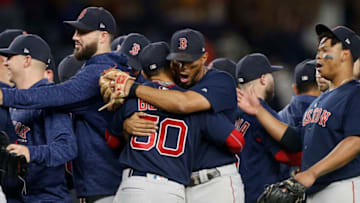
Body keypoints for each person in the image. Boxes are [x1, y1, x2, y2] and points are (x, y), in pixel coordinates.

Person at [0, 7, 132, 203]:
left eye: (83, 32)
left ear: (104, 36)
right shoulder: (99, 69)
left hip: (107, 186)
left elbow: (56, 95)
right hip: (103, 184)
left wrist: (4, 96)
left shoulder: (100, 72)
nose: (75, 37)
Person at [101, 28, 244, 203]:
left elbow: (183, 104)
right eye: (178, 61)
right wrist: (126, 125)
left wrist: (132, 89)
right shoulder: (168, 94)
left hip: (215, 182)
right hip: (179, 186)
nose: (183, 68)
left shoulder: (220, 81)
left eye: (189, 62)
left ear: (204, 58)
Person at [237, 24, 360, 203]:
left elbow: (355, 141)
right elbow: (295, 141)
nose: (318, 55)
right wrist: (259, 111)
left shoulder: (354, 93)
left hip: (343, 187)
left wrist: (312, 172)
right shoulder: (318, 101)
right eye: (318, 50)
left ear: (345, 55)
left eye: (325, 49)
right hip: (315, 191)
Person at [0, 34, 77, 202]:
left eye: (11, 57)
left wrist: (30, 152)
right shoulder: (16, 101)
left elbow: (67, 148)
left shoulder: (50, 100)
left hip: (49, 198)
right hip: (23, 197)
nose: (5, 62)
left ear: (27, 60)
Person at [234, 53, 302, 203]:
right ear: (263, 79)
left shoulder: (235, 114)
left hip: (238, 193)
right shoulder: (261, 114)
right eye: (271, 75)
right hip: (260, 194)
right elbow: (286, 154)